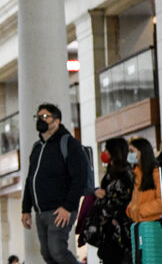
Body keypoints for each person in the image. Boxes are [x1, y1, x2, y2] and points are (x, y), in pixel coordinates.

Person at [20, 103, 87, 264]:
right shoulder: (37, 148)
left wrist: (68, 206)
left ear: (57, 121)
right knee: (47, 254)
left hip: (60, 209)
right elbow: (31, 179)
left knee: (58, 251)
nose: (40, 120)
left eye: (45, 117)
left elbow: (79, 178)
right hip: (41, 211)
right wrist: (25, 209)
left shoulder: (69, 143)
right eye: (38, 117)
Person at [89, 137, 133, 264]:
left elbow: (124, 200)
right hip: (107, 232)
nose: (104, 154)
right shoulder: (109, 174)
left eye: (107, 150)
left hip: (121, 232)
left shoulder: (127, 175)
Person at [125, 137, 162, 223]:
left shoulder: (156, 173)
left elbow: (160, 202)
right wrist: (130, 210)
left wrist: (140, 210)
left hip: (154, 225)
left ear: (142, 152)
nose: (129, 155)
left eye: (132, 151)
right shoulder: (137, 174)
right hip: (140, 225)